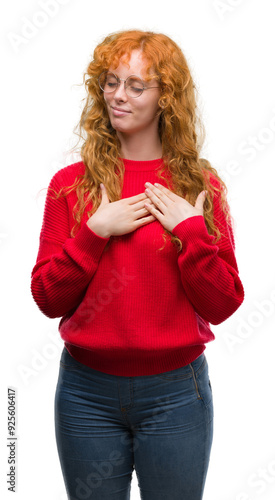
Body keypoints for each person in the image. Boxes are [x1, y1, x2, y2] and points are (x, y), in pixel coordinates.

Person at [31, 29, 244, 500]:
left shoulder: (201, 185)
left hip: (176, 395)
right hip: (86, 394)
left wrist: (190, 233)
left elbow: (226, 302)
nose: (117, 96)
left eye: (135, 85)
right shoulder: (70, 185)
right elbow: (48, 298)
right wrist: (94, 233)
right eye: (110, 82)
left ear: (166, 97)